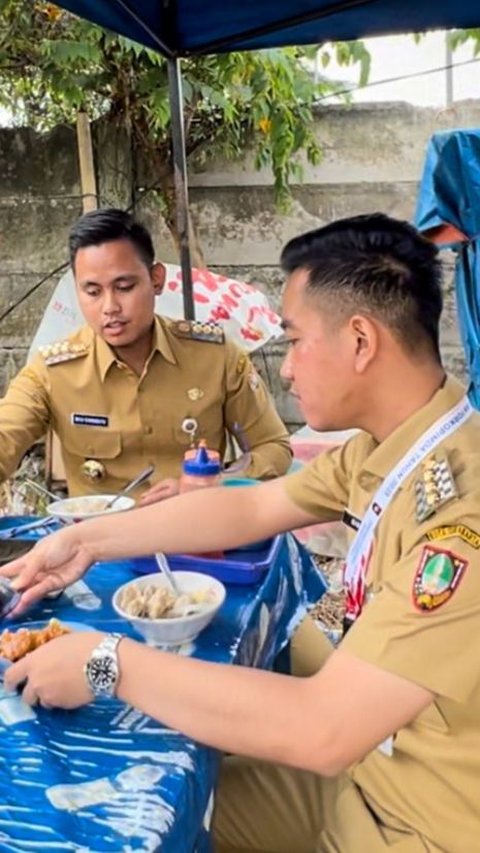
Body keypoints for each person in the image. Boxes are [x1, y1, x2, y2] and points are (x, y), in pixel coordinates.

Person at [2, 212, 479, 853]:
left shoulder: (458, 517)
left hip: (415, 825)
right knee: (163, 803)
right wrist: (85, 541)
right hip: (369, 774)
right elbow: (252, 508)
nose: (285, 368)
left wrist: (105, 662)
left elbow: (324, 728)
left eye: (296, 338)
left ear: (361, 341)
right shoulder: (390, 447)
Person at [0, 208, 292, 503]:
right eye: (92, 292)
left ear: (156, 279)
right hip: (100, 542)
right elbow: (6, 436)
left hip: (195, 537)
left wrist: (214, 483)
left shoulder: (215, 358)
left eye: (124, 287)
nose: (110, 306)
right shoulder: (53, 371)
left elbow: (273, 447)